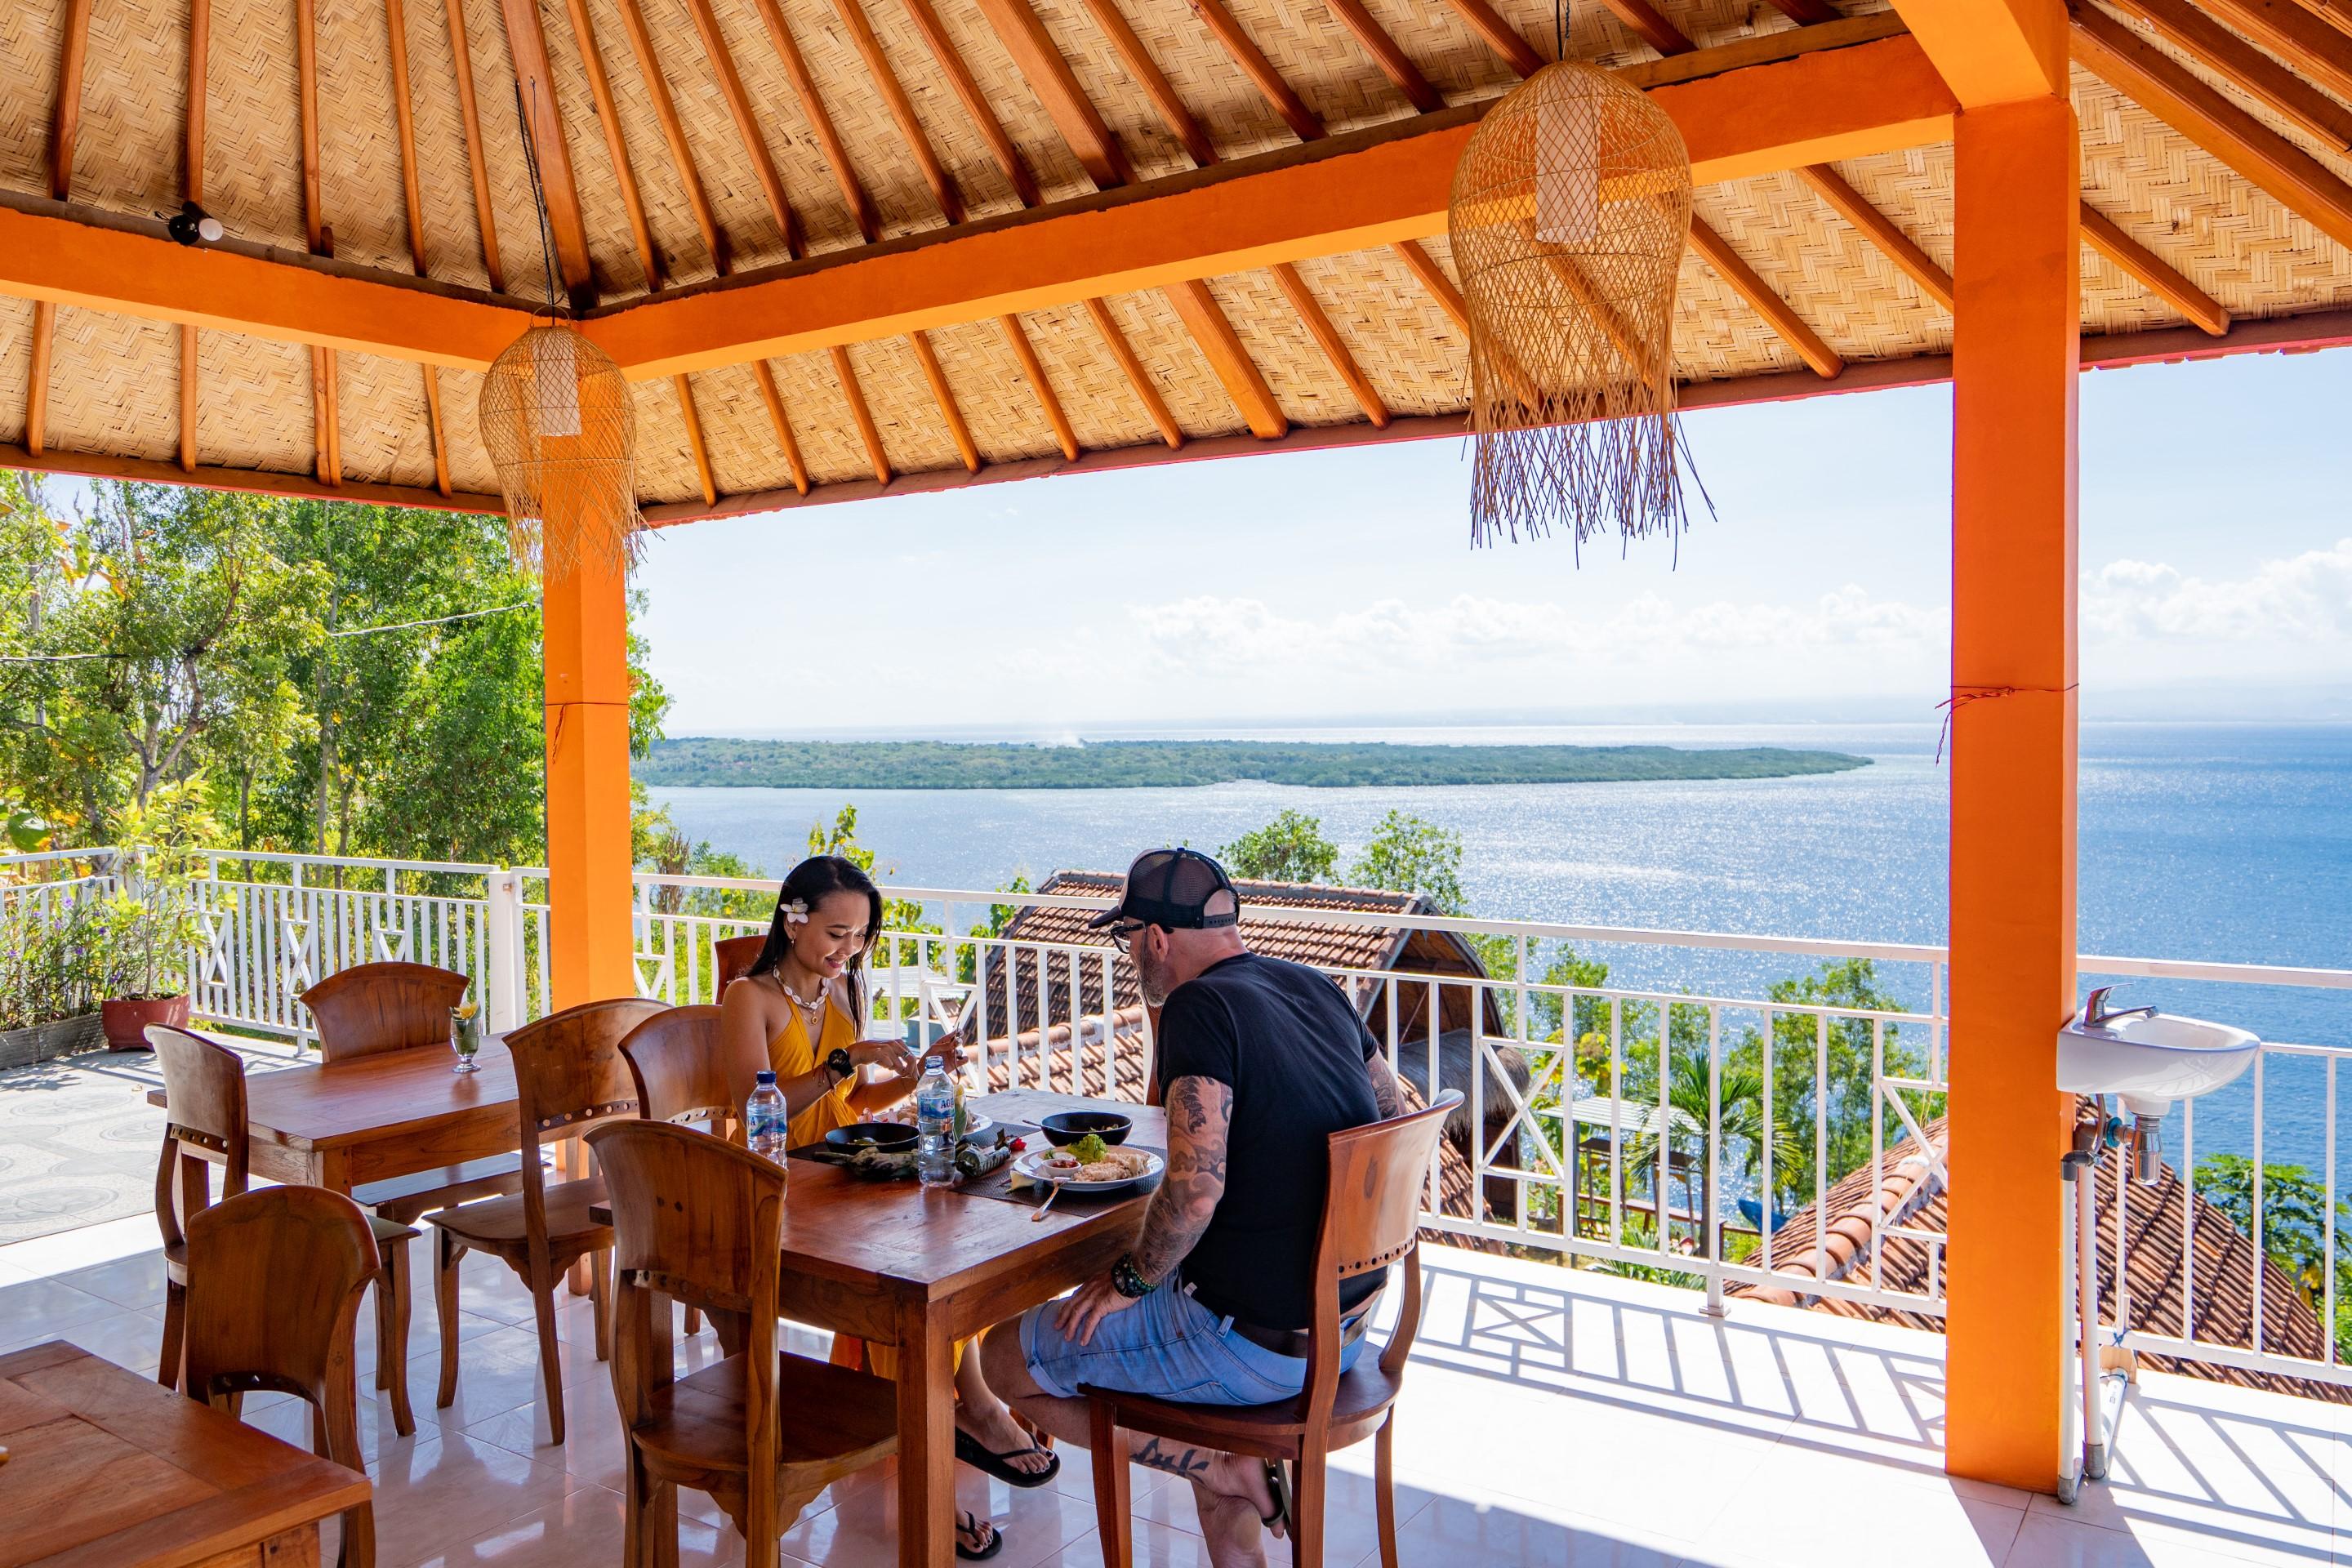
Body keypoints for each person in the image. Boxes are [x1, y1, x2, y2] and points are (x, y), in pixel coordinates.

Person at [979, 848, 1405, 1567]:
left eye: (1126, 940)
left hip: (1252, 1344)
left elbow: (1196, 1189)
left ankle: (1220, 1463)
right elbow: (1394, 1120)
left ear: (1155, 937)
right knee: (1206, 1425)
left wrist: (1130, 1281)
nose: (1130, 957)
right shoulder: (1316, 986)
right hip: (1346, 1327)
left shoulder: (1197, 1005)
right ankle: (1225, 1468)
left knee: (999, 1359)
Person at [718, 854, 1055, 1560]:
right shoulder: (748, 998)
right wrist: (842, 1064)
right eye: (837, 934)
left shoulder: (837, 996)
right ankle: (971, 1418)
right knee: (915, 1281)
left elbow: (855, 1105)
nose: (849, 951)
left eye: (860, 937)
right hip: (778, 1189)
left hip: (842, 1175)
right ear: (793, 916)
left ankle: (962, 1423)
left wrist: (921, 1073)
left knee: (953, 1242)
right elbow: (753, 1108)